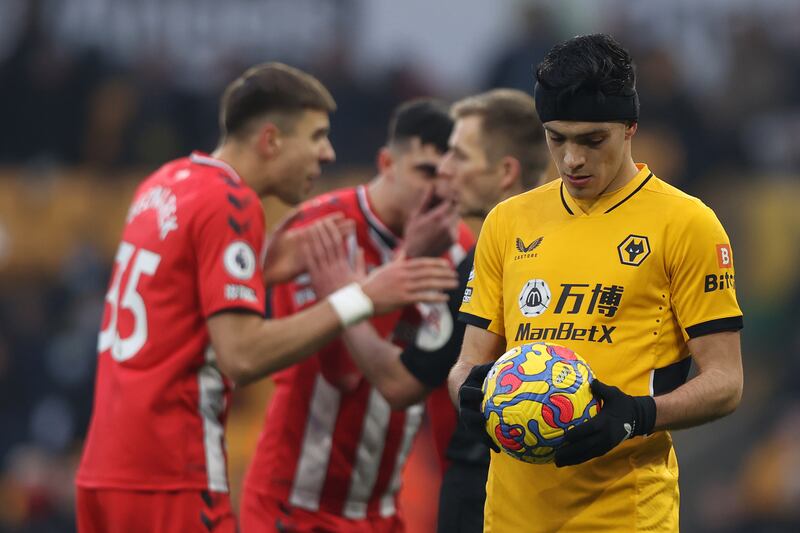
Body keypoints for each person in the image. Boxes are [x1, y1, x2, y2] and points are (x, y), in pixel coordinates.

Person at [74, 63, 458, 533]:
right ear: (272, 140)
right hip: (174, 471)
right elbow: (243, 354)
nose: (328, 153)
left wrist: (264, 271)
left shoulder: (163, 184)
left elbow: (180, 307)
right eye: (316, 136)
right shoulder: (231, 201)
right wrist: (361, 296)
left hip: (105, 470)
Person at [450, 34, 744, 532]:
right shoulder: (508, 222)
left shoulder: (687, 224)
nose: (571, 161)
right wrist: (471, 397)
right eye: (556, 138)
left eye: (592, 140)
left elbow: (726, 383)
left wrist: (636, 415)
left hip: (625, 514)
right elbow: (467, 364)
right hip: (510, 515)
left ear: (630, 128)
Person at [240, 98, 475, 533]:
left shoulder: (460, 250)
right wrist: (408, 262)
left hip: (383, 510)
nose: (436, 193)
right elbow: (344, 374)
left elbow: (420, 386)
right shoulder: (320, 231)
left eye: (446, 178)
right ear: (387, 162)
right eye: (425, 172)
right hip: (292, 503)